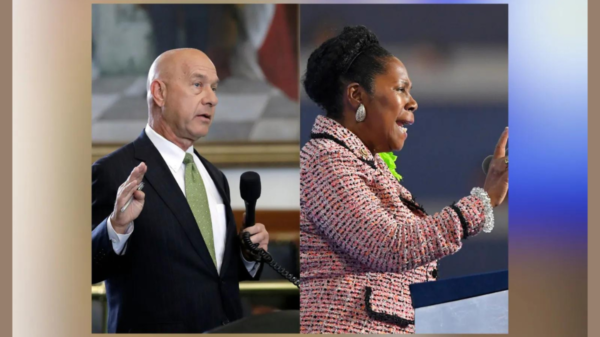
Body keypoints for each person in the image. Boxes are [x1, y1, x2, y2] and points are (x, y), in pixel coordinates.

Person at [299, 26, 508, 334]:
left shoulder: (363, 163)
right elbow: (390, 246)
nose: (413, 102)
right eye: (400, 89)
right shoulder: (326, 161)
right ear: (356, 95)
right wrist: (482, 203)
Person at [92, 48, 270, 333]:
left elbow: (213, 274)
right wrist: (115, 228)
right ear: (159, 93)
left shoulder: (215, 177)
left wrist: (248, 257)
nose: (212, 98)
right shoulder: (113, 172)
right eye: (198, 85)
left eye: (213, 87)